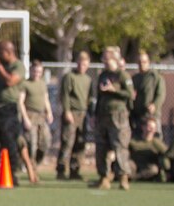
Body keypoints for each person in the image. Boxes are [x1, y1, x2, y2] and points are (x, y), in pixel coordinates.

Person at [91, 47, 134, 190]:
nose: (104, 60)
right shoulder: (103, 75)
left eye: (106, 57)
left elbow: (130, 94)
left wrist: (114, 90)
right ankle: (103, 177)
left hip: (118, 116)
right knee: (101, 147)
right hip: (103, 115)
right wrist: (95, 115)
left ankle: (123, 177)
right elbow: (98, 96)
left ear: (115, 59)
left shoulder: (122, 76)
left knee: (120, 146)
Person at [0, 40, 26, 184]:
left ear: (9, 52)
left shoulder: (18, 66)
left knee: (9, 142)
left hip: (9, 109)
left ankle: (13, 174)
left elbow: (10, 81)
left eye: (0, 52)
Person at [57, 51, 92, 180]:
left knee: (80, 143)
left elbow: (89, 98)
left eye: (85, 63)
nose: (82, 66)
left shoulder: (88, 79)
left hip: (83, 114)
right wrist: (67, 111)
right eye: (80, 63)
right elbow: (65, 95)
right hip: (71, 112)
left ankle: (75, 170)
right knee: (67, 142)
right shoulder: (69, 77)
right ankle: (61, 170)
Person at [19, 60, 53, 167]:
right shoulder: (25, 84)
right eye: (35, 71)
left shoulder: (42, 83)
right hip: (30, 115)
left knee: (45, 142)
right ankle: (31, 166)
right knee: (31, 144)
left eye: (39, 72)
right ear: (30, 70)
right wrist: (25, 119)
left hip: (41, 116)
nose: (37, 74)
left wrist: (49, 112)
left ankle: (36, 164)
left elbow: (46, 99)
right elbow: (20, 102)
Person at [131, 51, 165, 137]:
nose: (142, 64)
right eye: (139, 62)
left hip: (151, 115)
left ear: (148, 62)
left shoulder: (155, 77)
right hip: (138, 115)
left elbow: (161, 94)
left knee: (155, 137)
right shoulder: (135, 78)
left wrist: (155, 105)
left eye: (144, 62)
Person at [128, 116, 168, 182]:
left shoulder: (157, 143)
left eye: (153, 127)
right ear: (143, 127)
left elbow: (167, 153)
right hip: (135, 166)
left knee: (154, 169)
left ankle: (134, 178)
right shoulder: (133, 141)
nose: (151, 129)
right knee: (128, 164)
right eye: (149, 126)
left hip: (148, 168)